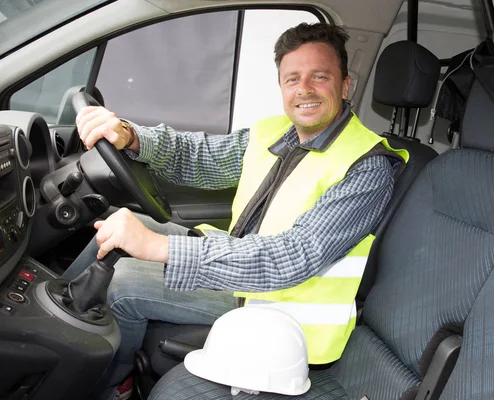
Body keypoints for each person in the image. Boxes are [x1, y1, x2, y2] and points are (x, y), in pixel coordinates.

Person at [65, 22, 407, 400]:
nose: (304, 89)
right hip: (245, 273)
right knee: (120, 227)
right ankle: (55, 321)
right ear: (281, 87)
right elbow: (198, 157)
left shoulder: (368, 167)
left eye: (319, 77)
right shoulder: (277, 134)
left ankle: (110, 389)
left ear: (345, 85)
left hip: (281, 309)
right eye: (292, 79)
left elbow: (293, 256)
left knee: (125, 281)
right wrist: (130, 136)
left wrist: (161, 248)